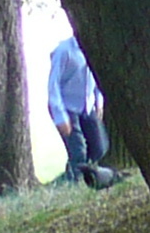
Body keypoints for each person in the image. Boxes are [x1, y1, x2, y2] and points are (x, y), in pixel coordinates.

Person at [46, 32, 119, 189]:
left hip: (87, 106)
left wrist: (99, 102)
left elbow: (97, 77)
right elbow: (53, 86)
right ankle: (75, 184)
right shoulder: (64, 51)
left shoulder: (94, 49)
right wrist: (60, 117)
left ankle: (83, 173)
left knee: (100, 146)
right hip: (66, 107)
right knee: (78, 150)